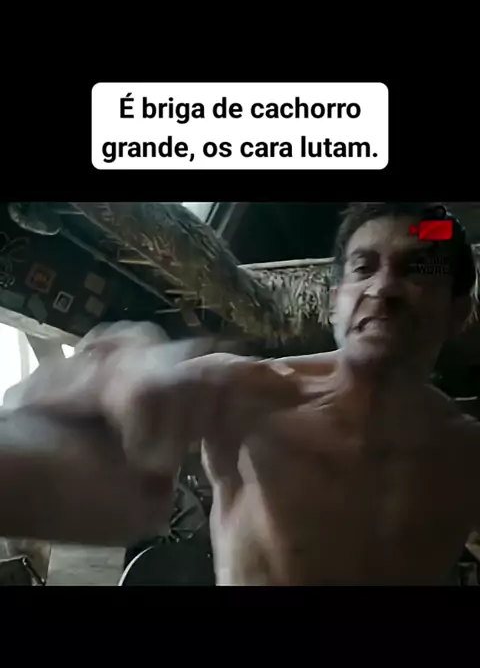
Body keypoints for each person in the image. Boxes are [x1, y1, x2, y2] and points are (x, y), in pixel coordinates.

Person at [2, 202, 480, 585]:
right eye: (363, 267)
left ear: (459, 312)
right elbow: (92, 466)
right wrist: (93, 398)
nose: (384, 287)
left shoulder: (466, 449)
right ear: (336, 302)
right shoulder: (247, 392)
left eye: (417, 269)